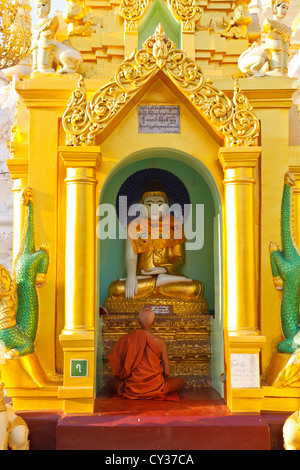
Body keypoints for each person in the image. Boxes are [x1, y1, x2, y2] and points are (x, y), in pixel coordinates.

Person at [107, 307, 185, 399]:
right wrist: (156, 381)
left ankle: (131, 390)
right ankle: (155, 389)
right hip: (156, 387)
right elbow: (167, 372)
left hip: (132, 387)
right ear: (154, 321)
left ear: (138, 321)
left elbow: (117, 363)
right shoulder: (160, 342)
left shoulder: (129, 339)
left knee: (110, 383)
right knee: (181, 381)